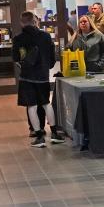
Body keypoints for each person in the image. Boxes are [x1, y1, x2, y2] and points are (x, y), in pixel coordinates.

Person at [13, 12, 63, 147]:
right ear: (35, 21)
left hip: (27, 77)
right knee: (46, 104)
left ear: (22, 23)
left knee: (32, 106)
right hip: (42, 76)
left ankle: (39, 137)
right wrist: (46, 66)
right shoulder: (46, 36)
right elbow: (52, 58)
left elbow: (16, 59)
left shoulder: (18, 38)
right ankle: (54, 133)